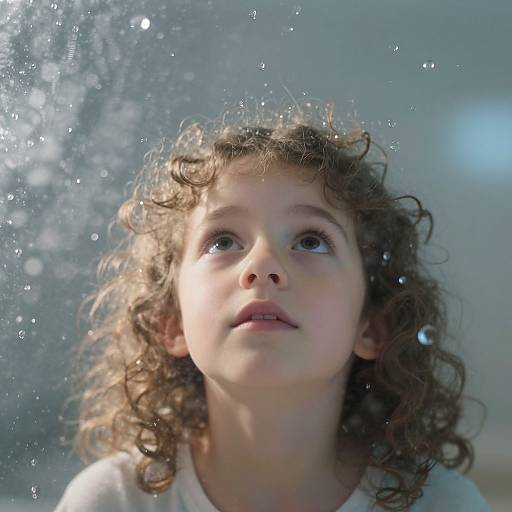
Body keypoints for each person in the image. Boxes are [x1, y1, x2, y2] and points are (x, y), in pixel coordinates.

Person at [54, 100, 492, 511]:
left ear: (372, 323)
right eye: (223, 240)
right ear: (172, 323)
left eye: (310, 241)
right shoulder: (114, 501)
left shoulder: (443, 505)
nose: (262, 266)